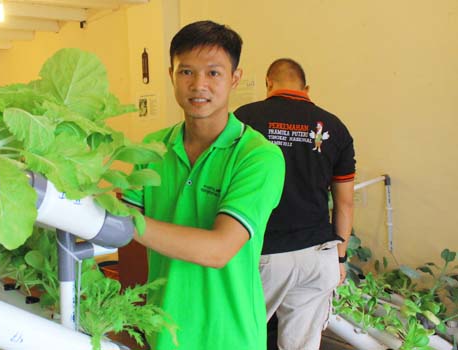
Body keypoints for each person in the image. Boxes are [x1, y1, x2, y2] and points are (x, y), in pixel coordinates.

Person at [122, 21, 285, 349]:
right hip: (164, 334)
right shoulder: (153, 148)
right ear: (171, 75)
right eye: (186, 72)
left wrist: (123, 224)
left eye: (214, 73)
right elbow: (117, 214)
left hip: (230, 337)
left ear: (234, 78)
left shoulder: (258, 156)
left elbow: (218, 249)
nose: (199, 85)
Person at [234, 58, 356, 350]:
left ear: (268, 83)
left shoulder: (244, 119)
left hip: (263, 255)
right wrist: (339, 257)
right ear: (307, 88)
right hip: (317, 254)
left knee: (237, 338)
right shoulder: (335, 127)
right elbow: (345, 203)